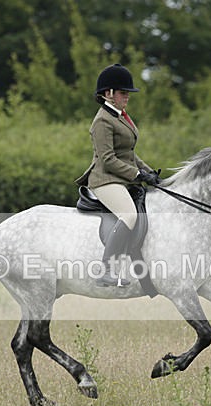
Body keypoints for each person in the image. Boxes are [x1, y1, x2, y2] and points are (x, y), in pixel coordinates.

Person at [76, 63, 159, 287]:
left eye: (127, 93)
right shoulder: (102, 120)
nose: (127, 97)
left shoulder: (121, 116)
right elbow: (108, 159)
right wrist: (137, 174)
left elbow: (128, 153)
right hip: (104, 179)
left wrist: (149, 172)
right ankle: (107, 269)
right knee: (130, 215)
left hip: (120, 177)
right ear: (108, 93)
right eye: (123, 93)